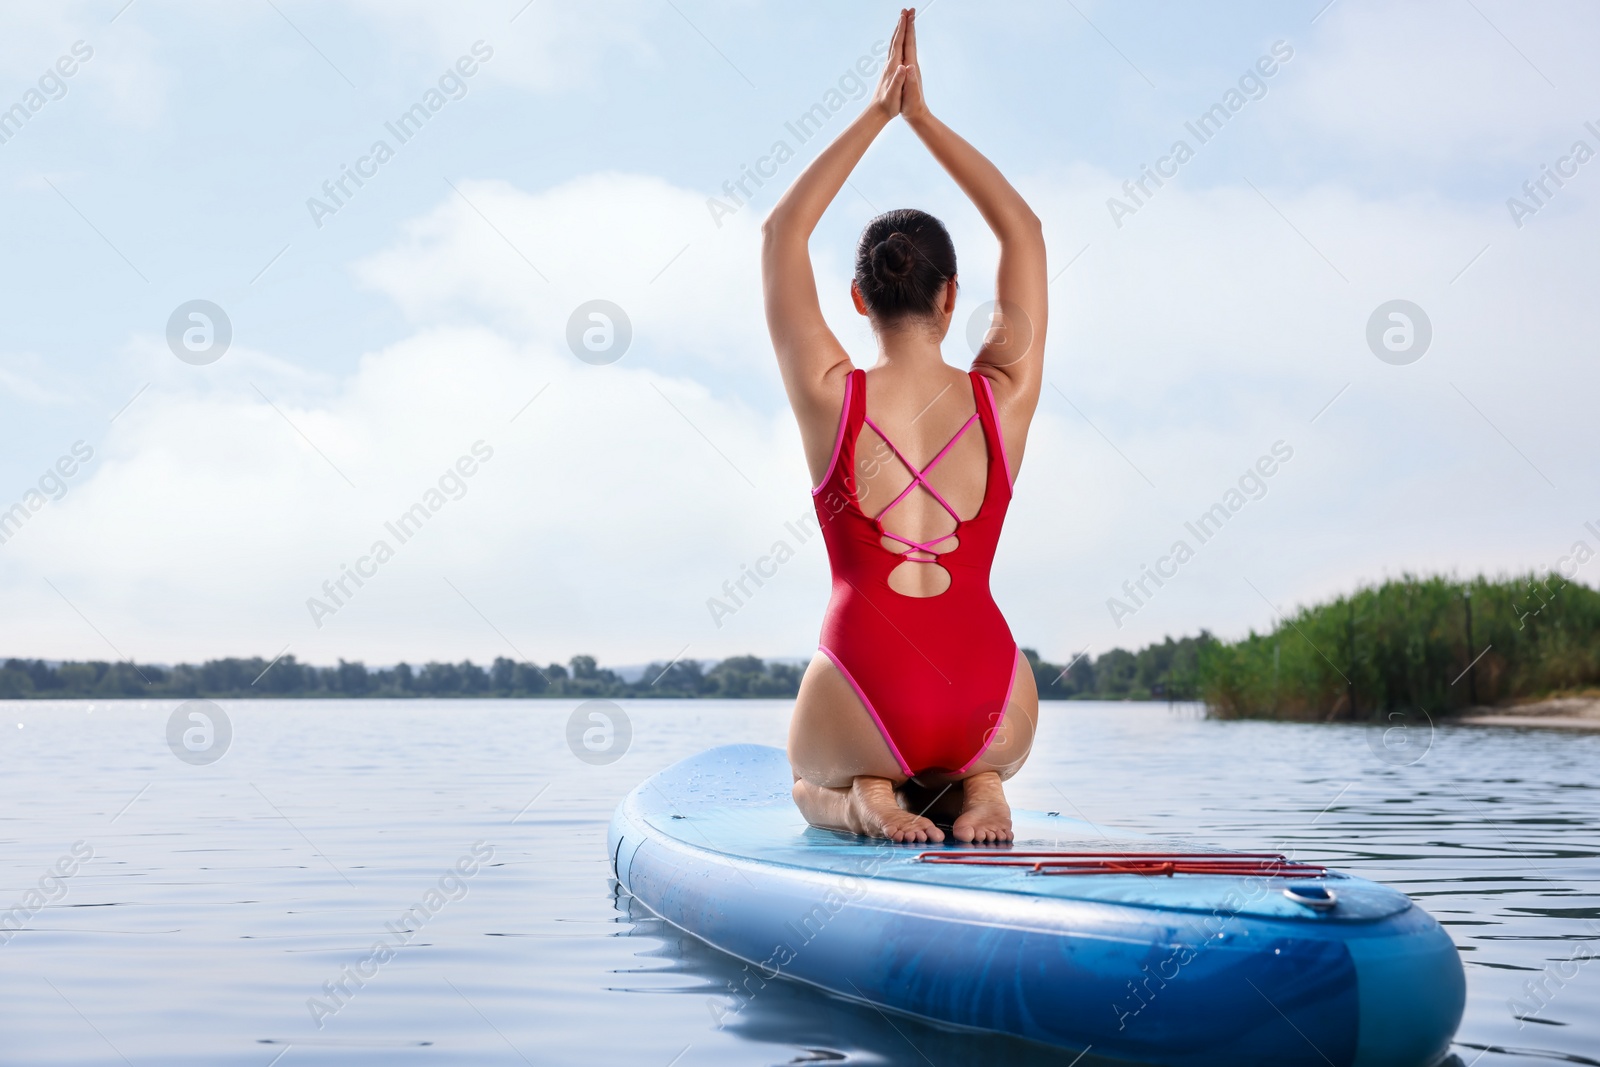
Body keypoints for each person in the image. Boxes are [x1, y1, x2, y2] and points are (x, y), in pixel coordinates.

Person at [762, 9, 1047, 844]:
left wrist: (878, 112)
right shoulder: (1002, 396)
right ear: (953, 295)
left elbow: (783, 233)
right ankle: (984, 785)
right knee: (977, 755)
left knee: (802, 780)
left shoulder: (829, 394)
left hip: (863, 690)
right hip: (988, 695)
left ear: (857, 300)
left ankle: (861, 798)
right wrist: (925, 117)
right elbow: (1023, 230)